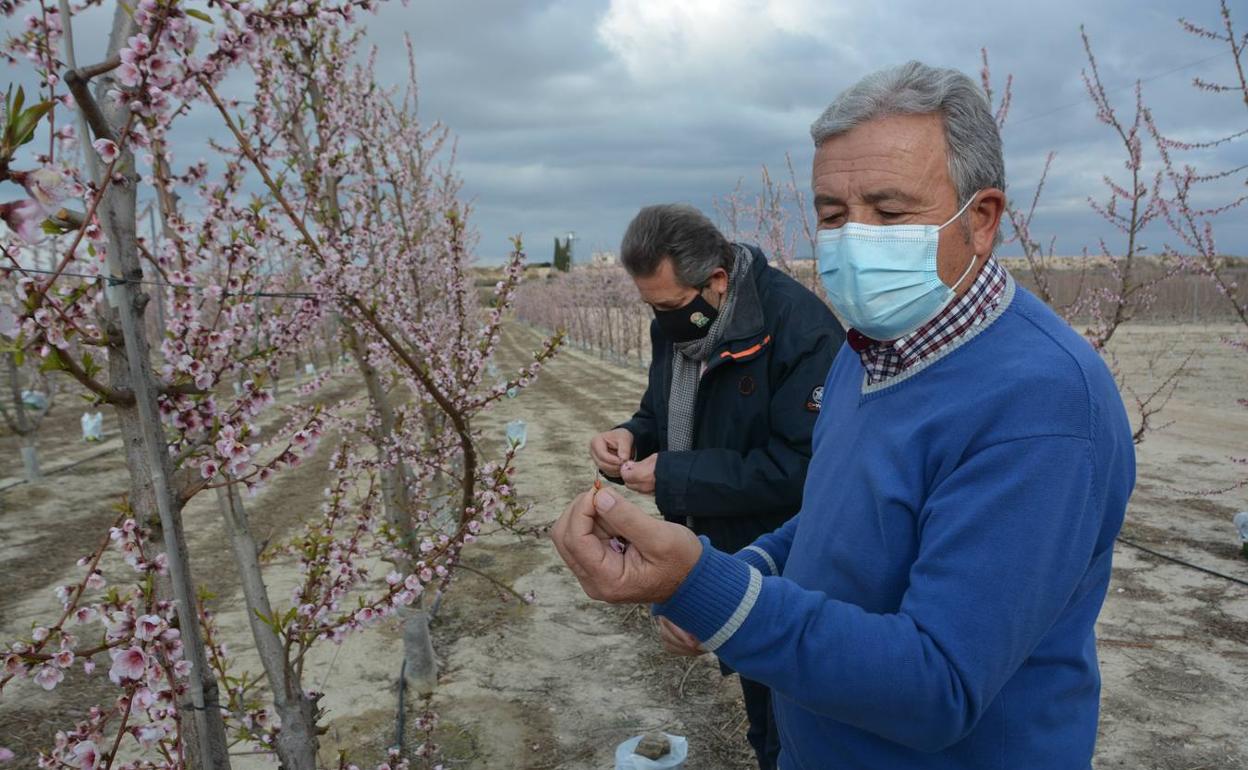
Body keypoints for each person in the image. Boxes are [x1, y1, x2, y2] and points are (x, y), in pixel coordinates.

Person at [556, 61, 1135, 770]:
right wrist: (748, 566)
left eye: (890, 213)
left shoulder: (1040, 406)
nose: (854, 239)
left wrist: (708, 590)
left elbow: (937, 686)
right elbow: (835, 510)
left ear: (980, 220)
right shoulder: (871, 351)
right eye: (832, 214)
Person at [588, 204, 843, 770]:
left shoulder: (801, 332)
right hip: (723, 545)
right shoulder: (681, 328)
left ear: (718, 281)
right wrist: (628, 436)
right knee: (761, 716)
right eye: (651, 306)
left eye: (671, 306)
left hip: (787, 563)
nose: (662, 320)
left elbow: (803, 466)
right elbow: (664, 411)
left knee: (797, 724)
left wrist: (676, 476)